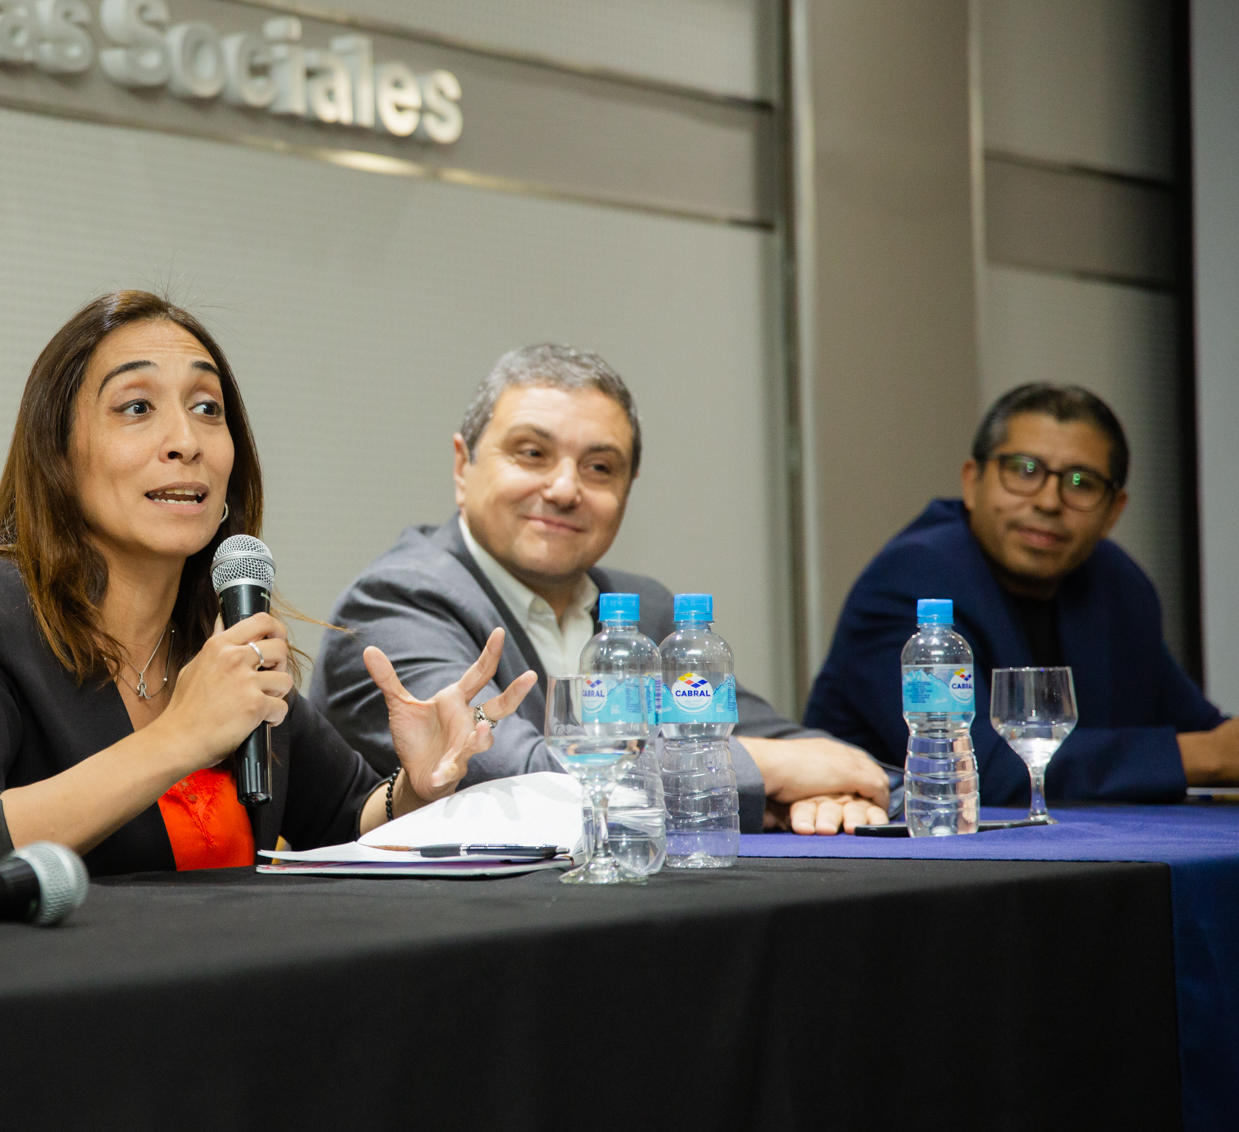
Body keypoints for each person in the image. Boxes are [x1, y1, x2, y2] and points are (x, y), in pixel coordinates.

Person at [0, 291, 532, 877]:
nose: (186, 440)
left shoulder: (221, 636)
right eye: (136, 407)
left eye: (208, 408)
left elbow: (343, 818)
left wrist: (414, 787)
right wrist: (178, 737)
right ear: (59, 455)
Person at [311, 344, 893, 835]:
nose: (565, 489)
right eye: (532, 453)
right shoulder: (395, 602)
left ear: (628, 489)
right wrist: (764, 773)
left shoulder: (647, 611)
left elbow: (798, 747)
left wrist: (834, 792)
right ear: (463, 467)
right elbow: (512, 782)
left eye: (599, 468)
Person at [804, 382, 1232, 803]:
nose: (1049, 501)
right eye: (1025, 471)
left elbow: (1205, 731)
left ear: (1113, 512)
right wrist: (1204, 759)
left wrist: (1217, 749)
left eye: (1081, 482)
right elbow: (977, 770)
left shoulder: (1116, 582)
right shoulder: (912, 578)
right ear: (971, 482)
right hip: (904, 840)